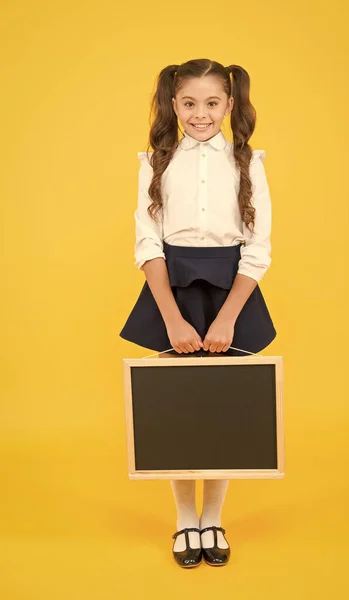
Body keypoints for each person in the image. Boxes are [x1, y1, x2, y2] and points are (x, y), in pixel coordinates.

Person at [119, 58, 277, 568]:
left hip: (233, 292)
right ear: (174, 105)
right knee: (178, 410)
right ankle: (186, 519)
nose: (200, 113)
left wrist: (230, 315)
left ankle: (214, 517)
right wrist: (171, 317)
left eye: (212, 103)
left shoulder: (248, 163)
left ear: (230, 105)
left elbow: (258, 248)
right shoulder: (155, 163)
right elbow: (148, 244)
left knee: (224, 410)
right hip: (174, 293)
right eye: (189, 103)